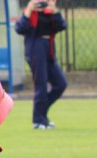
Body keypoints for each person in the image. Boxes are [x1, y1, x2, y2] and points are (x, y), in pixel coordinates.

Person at [14, 0, 67, 130]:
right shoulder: (30, 12)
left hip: (48, 48)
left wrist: (55, 11)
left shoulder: (50, 13)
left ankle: (41, 114)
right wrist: (29, 10)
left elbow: (62, 26)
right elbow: (20, 28)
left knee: (60, 84)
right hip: (35, 49)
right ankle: (38, 121)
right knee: (41, 84)